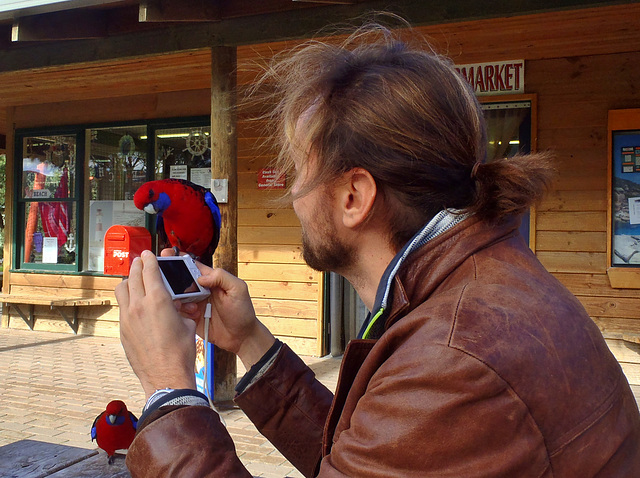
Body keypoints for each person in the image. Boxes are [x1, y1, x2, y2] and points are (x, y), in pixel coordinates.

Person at [116, 21, 640, 477]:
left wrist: (170, 390)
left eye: (300, 172)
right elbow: (375, 453)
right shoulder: (481, 286)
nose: (291, 195)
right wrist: (250, 340)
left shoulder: (455, 362)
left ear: (353, 196)